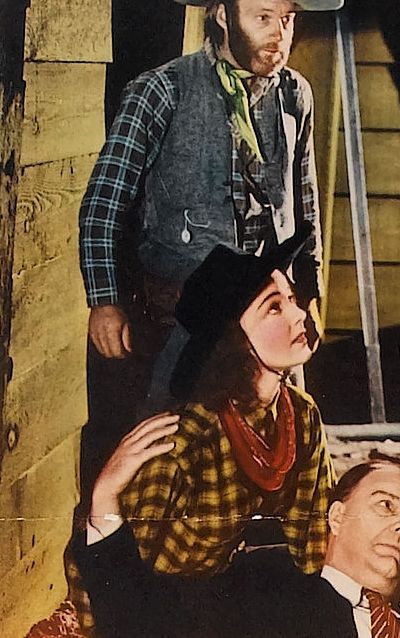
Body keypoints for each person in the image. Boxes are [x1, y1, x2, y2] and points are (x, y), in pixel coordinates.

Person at [77, 0, 343, 501]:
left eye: (287, 20)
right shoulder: (162, 90)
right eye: (263, 17)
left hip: (267, 322)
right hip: (182, 318)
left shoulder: (295, 95)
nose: (279, 33)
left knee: (276, 463)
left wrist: (310, 290)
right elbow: (103, 204)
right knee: (165, 461)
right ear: (222, 14)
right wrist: (104, 300)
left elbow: (306, 204)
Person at [67, 224, 335, 630]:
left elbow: (313, 544)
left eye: (293, 299)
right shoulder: (182, 442)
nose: (300, 314)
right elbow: (107, 584)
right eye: (274, 307)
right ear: (236, 340)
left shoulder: (301, 416)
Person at [73, 440, 400, 638]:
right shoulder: (267, 587)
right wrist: (105, 500)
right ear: (337, 516)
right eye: (386, 506)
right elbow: (146, 621)